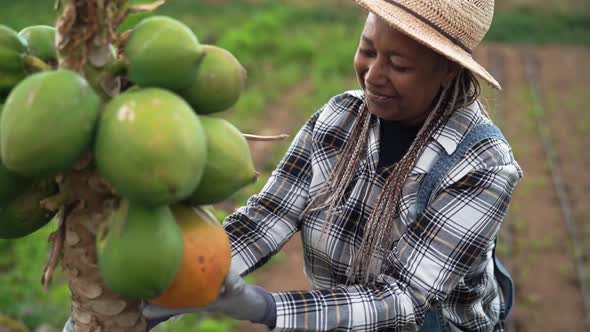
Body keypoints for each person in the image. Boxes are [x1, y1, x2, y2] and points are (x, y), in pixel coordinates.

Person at [66, 0, 523, 331]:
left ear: (448, 70)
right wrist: (174, 283)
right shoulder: (341, 116)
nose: (373, 74)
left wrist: (263, 307)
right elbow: (270, 216)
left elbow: (404, 299)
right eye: (368, 51)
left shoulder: (482, 164)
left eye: (399, 64)